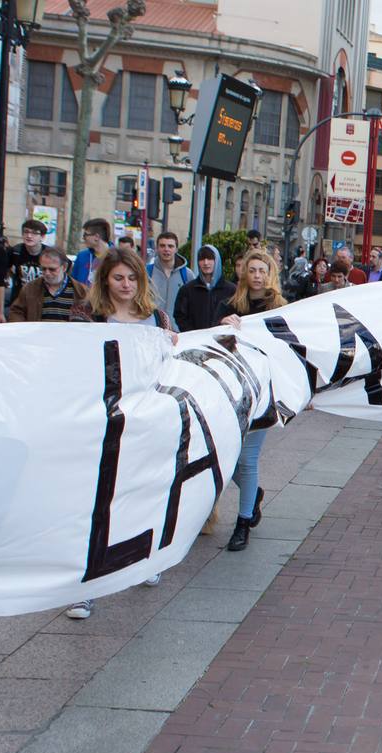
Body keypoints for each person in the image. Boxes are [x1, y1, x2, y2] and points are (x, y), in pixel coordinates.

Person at [62, 249, 175, 617]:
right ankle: (86, 585)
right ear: (105, 280)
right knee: (94, 501)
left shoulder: (157, 318)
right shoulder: (86, 316)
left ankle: (143, 559)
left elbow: (176, 358)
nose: (126, 285)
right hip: (99, 419)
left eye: (132, 278)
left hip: (143, 421)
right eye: (118, 278)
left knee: (142, 491)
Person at [202, 250, 283, 550]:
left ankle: (243, 522)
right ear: (244, 274)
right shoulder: (229, 306)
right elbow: (209, 343)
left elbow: (288, 352)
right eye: (252, 270)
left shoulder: (280, 309)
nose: (258, 275)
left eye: (263, 270)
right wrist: (223, 326)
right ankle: (254, 495)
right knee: (225, 458)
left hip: (263, 396)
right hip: (231, 394)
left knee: (247, 460)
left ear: (270, 273)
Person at [6, 246, 85, 323]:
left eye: (52, 269)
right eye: (43, 269)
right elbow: (16, 311)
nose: (47, 273)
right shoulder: (30, 289)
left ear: (64, 267)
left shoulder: (81, 291)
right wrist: (23, 329)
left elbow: (90, 319)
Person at [172, 245, 234, 332]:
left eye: (210, 259)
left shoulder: (231, 290)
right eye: (202, 259)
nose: (206, 263)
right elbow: (180, 315)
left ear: (217, 261)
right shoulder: (187, 290)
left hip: (222, 341)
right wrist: (192, 334)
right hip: (194, 342)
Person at [145, 231, 193, 320]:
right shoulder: (146, 272)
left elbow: (193, 304)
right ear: (157, 248)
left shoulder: (187, 274)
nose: (166, 249)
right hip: (152, 328)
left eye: (170, 246)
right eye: (162, 246)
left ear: (176, 249)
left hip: (178, 330)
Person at [5, 218, 49, 302]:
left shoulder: (49, 253)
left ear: (42, 237)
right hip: (19, 300)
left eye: (34, 233)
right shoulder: (15, 251)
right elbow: (4, 268)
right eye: (26, 232)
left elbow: (66, 267)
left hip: (42, 301)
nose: (29, 236)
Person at [69, 218, 112, 287]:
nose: (83, 238)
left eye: (85, 235)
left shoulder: (116, 257)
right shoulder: (82, 256)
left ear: (96, 237)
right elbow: (74, 281)